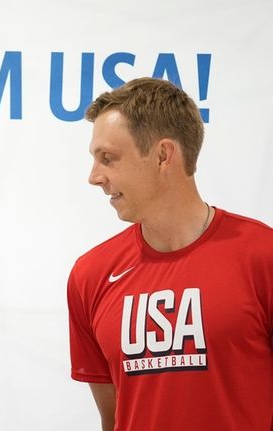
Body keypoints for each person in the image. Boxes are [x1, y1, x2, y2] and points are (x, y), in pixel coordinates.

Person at [67, 77, 273, 430]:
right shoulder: (90, 276)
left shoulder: (262, 256)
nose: (94, 176)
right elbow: (114, 419)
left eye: (109, 158)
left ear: (163, 155)